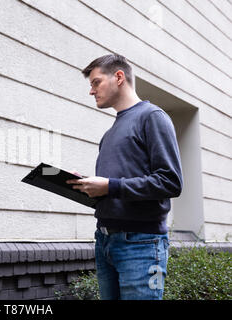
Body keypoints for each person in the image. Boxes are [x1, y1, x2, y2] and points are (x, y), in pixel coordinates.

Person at [66, 54, 183, 300]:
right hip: (105, 242)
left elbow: (170, 181)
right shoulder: (109, 134)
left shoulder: (153, 117)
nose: (91, 91)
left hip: (142, 245)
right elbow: (116, 190)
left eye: (96, 82)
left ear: (119, 77)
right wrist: (87, 186)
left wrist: (110, 186)